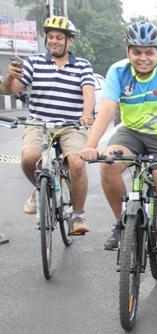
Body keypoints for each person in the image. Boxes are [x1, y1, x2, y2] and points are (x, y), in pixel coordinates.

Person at [80, 21, 157, 271]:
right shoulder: (118, 72)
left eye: (149, 52)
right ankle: (122, 223)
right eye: (137, 52)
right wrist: (90, 146)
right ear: (128, 51)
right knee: (109, 164)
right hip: (131, 132)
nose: (143, 58)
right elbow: (108, 109)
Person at [2, 16, 95, 234]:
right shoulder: (34, 62)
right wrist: (8, 77)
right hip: (38, 123)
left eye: (59, 37)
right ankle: (38, 189)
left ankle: (78, 216)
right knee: (29, 158)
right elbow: (11, 90)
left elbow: (88, 93)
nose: (53, 41)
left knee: (76, 163)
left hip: (71, 124)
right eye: (50, 37)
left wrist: (86, 115)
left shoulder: (82, 65)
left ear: (69, 41)